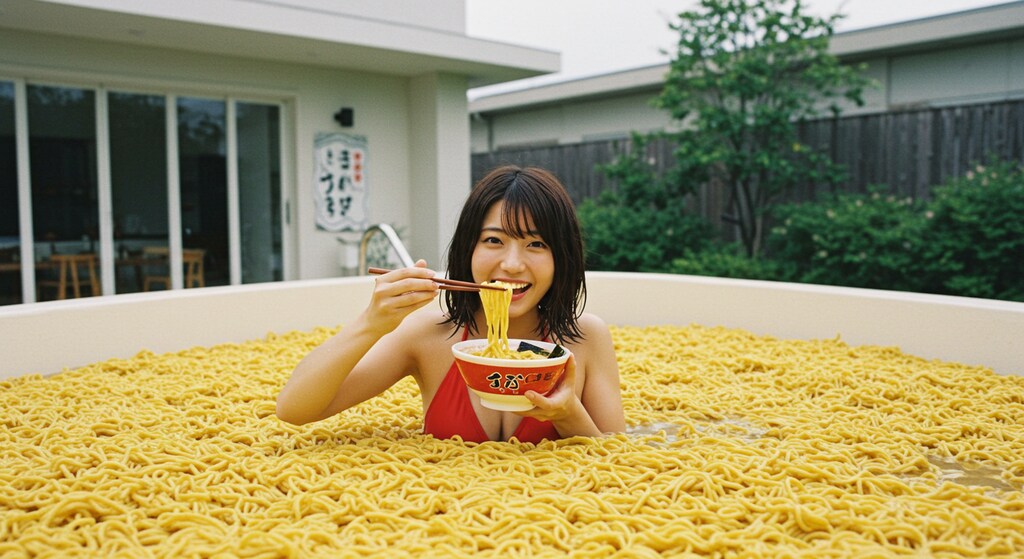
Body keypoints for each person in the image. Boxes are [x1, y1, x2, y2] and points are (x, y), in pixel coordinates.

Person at [276, 165, 625, 443]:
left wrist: (567, 414)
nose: (513, 264)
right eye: (493, 240)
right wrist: (370, 323)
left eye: (536, 244)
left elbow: (618, 459)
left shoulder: (585, 338)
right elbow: (294, 409)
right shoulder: (428, 335)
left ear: (561, 257)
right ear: (467, 249)